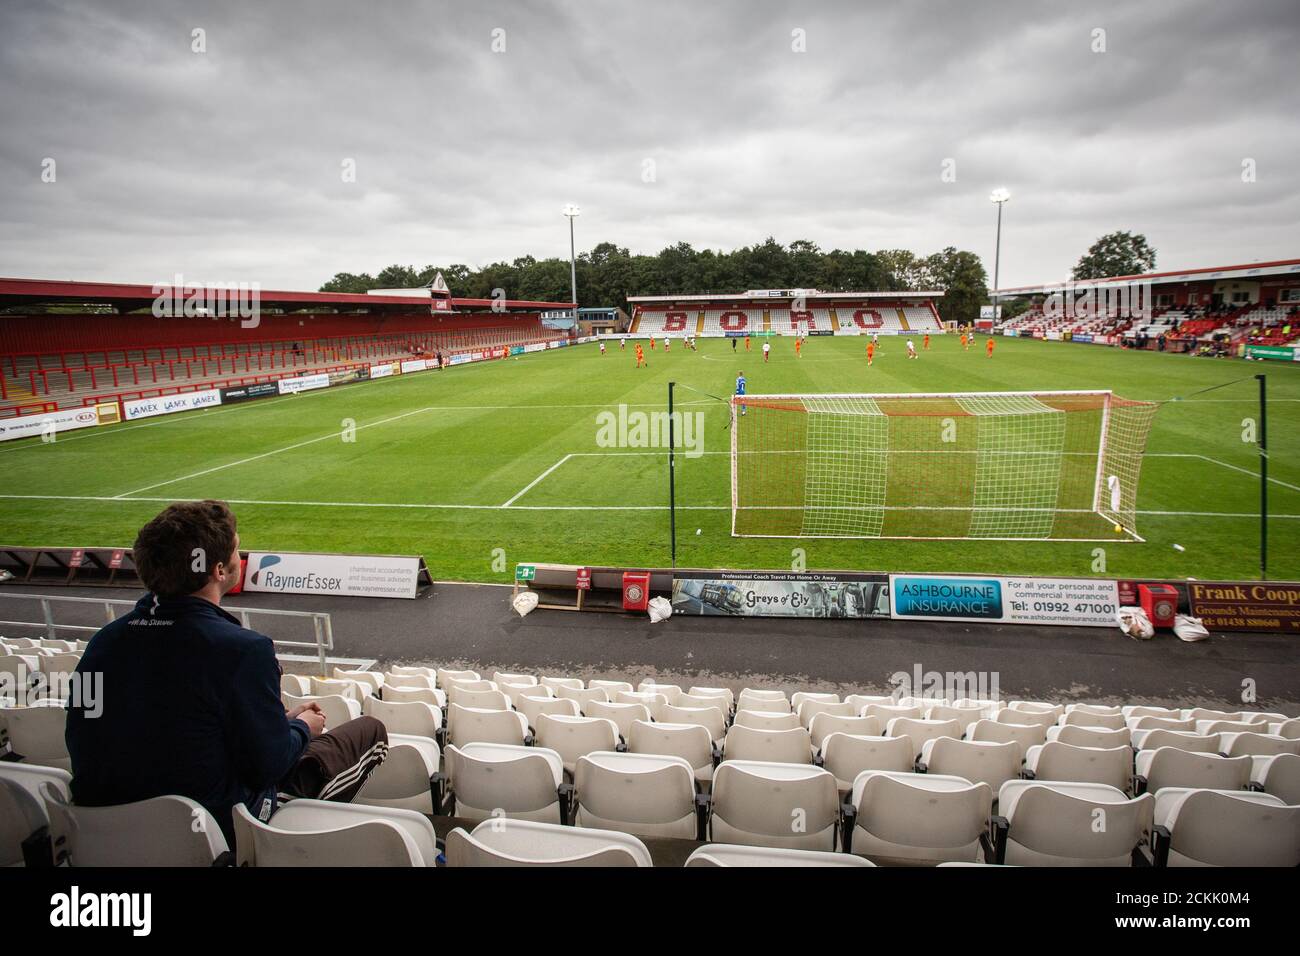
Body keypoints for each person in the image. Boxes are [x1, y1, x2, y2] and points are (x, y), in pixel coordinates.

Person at [65, 500, 389, 849]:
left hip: (104, 832)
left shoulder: (102, 643)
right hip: (214, 833)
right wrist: (301, 727)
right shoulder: (242, 650)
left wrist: (278, 723)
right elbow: (270, 766)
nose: (240, 555)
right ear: (219, 570)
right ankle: (290, 842)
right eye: (236, 548)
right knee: (370, 731)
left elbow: (81, 733)